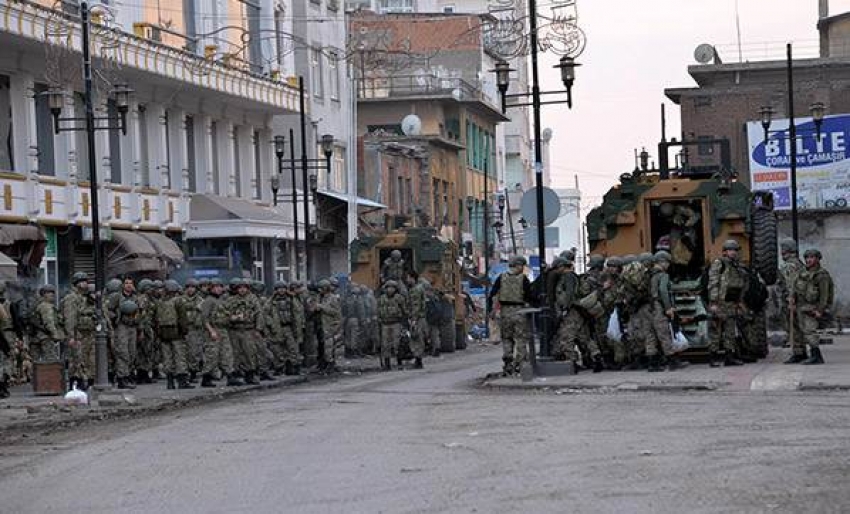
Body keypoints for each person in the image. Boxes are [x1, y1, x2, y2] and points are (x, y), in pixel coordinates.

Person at [488, 256, 533, 376]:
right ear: (518, 266)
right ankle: (520, 364)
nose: (523, 269)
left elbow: (492, 294)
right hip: (520, 311)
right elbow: (529, 296)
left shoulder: (501, 278)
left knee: (507, 338)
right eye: (522, 266)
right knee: (521, 338)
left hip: (505, 312)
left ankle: (508, 363)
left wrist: (491, 311)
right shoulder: (523, 279)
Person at [789, 248, 834, 365]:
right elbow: (795, 286)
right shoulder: (802, 272)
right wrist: (792, 299)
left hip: (812, 308)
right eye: (807, 258)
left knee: (809, 331)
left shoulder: (821, 275)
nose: (809, 260)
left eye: (812, 257)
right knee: (799, 331)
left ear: (817, 259)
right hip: (800, 306)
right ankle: (800, 354)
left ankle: (816, 355)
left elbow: (825, 294)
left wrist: (820, 309)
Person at [646, 251, 689, 371]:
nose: (668, 265)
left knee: (651, 335)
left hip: (649, 307)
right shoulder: (663, 275)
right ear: (662, 262)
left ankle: (652, 364)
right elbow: (663, 291)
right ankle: (673, 361)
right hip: (659, 306)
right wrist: (668, 308)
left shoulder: (648, 274)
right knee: (664, 334)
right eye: (668, 262)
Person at [707, 239, 747, 367]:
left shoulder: (736, 266)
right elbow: (713, 283)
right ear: (724, 252)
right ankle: (713, 357)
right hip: (719, 302)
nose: (733, 253)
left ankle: (729, 357)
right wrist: (713, 302)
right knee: (716, 330)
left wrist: (739, 302)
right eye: (730, 250)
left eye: (735, 250)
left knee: (730, 331)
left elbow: (739, 285)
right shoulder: (719, 263)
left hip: (731, 303)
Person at [200, 278, 241, 387]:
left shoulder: (221, 300)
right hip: (213, 330)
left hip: (223, 330)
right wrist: (211, 331)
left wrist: (235, 318)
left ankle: (230, 376)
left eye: (219, 287)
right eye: (215, 287)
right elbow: (204, 319)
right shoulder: (208, 301)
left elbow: (226, 315)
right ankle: (206, 377)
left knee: (226, 354)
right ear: (211, 288)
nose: (218, 289)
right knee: (212, 355)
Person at [62, 272, 97, 390]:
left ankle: (87, 381)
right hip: (78, 333)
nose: (85, 283)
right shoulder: (71, 298)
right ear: (76, 283)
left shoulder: (86, 297)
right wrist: (71, 336)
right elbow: (70, 318)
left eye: (86, 281)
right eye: (82, 281)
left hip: (88, 333)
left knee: (88, 359)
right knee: (76, 359)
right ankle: (76, 383)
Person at [157, 280, 193, 389]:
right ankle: (182, 382)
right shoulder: (179, 301)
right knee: (180, 356)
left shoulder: (160, 302)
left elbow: (156, 318)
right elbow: (182, 318)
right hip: (176, 333)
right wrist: (184, 330)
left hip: (164, 333)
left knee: (167, 358)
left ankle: (170, 382)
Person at [226, 278, 261, 384]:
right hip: (234, 329)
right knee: (234, 353)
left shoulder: (253, 299)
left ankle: (250, 375)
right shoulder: (231, 300)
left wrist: (258, 329)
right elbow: (225, 313)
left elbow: (259, 314)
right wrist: (232, 318)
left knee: (249, 352)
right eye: (239, 288)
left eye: (244, 288)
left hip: (248, 329)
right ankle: (235, 375)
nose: (242, 290)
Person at [777, 238, 805, 356]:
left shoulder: (789, 265)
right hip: (799, 300)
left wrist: (790, 300)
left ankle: (798, 353)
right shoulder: (799, 263)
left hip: (791, 300)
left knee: (792, 326)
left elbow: (790, 284)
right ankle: (801, 351)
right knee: (798, 326)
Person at [378, 281, 407, 371]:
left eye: (392, 288)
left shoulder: (399, 298)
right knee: (385, 344)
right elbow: (378, 310)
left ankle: (399, 362)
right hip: (385, 324)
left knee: (397, 344)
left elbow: (404, 310)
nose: (390, 290)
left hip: (396, 323)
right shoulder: (381, 299)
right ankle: (387, 364)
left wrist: (404, 323)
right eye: (388, 288)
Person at [32, 284, 64, 365]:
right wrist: (55, 334)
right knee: (50, 360)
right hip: (45, 337)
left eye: (53, 292)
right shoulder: (46, 306)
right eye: (49, 292)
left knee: (34, 361)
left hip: (35, 337)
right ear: (43, 294)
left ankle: (33, 377)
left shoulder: (39, 305)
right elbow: (48, 322)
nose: (52, 294)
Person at [316, 279, 343, 372]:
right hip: (324, 325)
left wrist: (322, 307)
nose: (319, 290)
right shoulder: (322, 298)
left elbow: (336, 312)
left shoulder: (333, 298)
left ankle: (330, 364)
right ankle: (327, 363)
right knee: (326, 347)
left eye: (321, 288)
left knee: (329, 347)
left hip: (331, 326)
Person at [0, 281, 19, 399]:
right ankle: (3, 387)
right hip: (6, 335)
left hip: (4, 336)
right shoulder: (8, 305)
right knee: (6, 361)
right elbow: (16, 322)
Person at [408, 277, 429, 369]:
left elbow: (416, 305)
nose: (407, 279)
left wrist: (413, 319)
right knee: (419, 338)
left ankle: (418, 360)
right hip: (421, 317)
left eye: (409, 277)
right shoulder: (421, 289)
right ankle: (418, 360)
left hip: (417, 318)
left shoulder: (416, 290)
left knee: (416, 338)